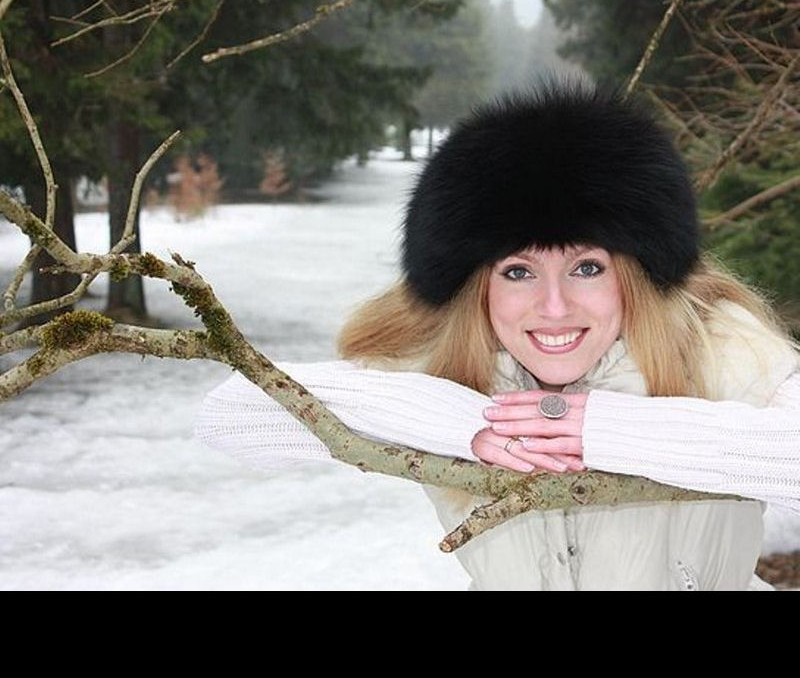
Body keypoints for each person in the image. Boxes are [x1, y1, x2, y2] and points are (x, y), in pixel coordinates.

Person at [197, 79, 800, 591]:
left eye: (587, 267)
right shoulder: (454, 366)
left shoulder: (710, 342)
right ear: (476, 285)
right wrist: (466, 424)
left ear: (634, 272)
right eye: (518, 271)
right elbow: (236, 413)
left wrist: (609, 431)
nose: (554, 306)